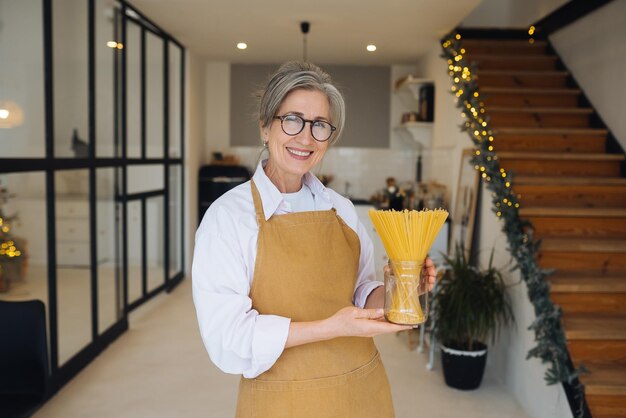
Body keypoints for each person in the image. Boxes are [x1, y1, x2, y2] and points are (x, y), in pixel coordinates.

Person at [192, 61, 436, 418]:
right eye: (292, 119)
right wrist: (330, 328)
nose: (305, 138)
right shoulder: (228, 218)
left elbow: (361, 292)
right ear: (265, 126)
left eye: (319, 125)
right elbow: (227, 341)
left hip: (362, 391)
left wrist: (404, 289)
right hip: (282, 400)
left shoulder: (341, 209)